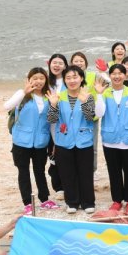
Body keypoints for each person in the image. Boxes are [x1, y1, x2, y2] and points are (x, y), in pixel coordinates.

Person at [47, 65, 97, 214]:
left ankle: (88, 201)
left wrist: (84, 103)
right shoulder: (59, 96)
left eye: (75, 77)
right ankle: (72, 202)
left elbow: (90, 118)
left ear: (81, 78)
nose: (72, 80)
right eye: (68, 78)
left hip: (84, 139)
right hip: (64, 140)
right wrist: (53, 104)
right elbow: (52, 119)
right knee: (67, 173)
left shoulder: (87, 95)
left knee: (86, 172)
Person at [4, 67, 55, 214]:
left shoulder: (49, 96)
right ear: (29, 79)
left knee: (40, 171)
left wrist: (55, 142)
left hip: (41, 141)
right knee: (23, 171)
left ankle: (44, 200)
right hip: (21, 141)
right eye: (35, 78)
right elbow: (6, 106)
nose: (38, 81)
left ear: (46, 80)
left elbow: (52, 122)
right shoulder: (22, 95)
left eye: (41, 78)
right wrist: (23, 92)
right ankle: (27, 203)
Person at [95, 63, 128, 214]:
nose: (117, 76)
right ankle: (117, 200)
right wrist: (99, 94)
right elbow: (100, 113)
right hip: (110, 139)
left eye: (120, 73)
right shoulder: (105, 92)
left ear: (124, 76)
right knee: (114, 171)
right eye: (114, 73)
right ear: (109, 76)